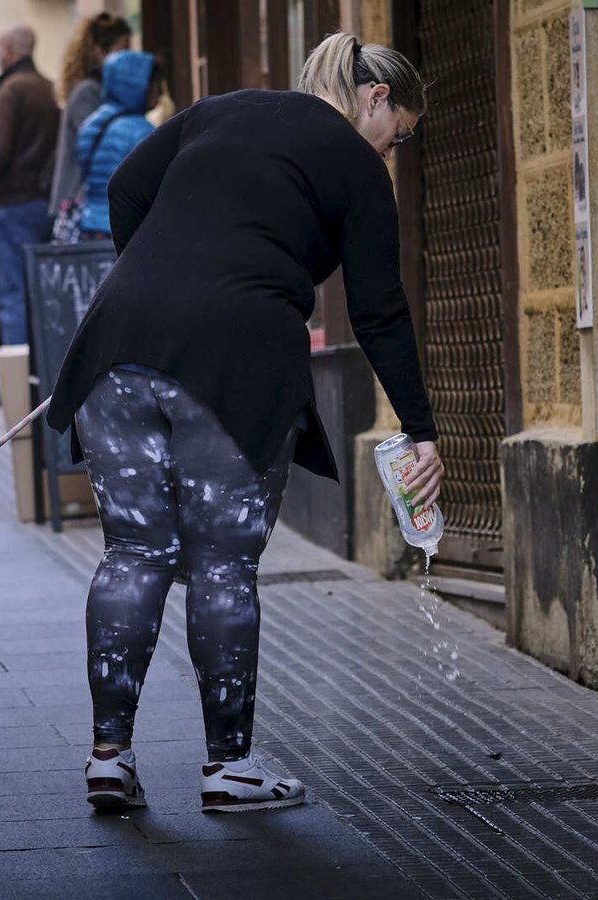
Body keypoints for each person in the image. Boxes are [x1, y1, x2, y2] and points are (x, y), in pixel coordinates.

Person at [45, 32, 445, 813]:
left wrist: (165, 279)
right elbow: (380, 312)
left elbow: (126, 189)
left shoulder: (219, 111)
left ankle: (108, 758)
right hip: (235, 359)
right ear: (375, 99)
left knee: (132, 553)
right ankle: (229, 768)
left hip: (118, 342)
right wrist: (422, 426)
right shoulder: (357, 167)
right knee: (222, 565)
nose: (389, 155)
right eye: (397, 138)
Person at [0, 25, 60, 349]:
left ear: (8, 51)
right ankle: (45, 376)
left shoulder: (12, 90)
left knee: (11, 295)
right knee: (43, 293)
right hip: (45, 200)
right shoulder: (48, 87)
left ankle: (18, 385)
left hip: (13, 203)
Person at [50, 13, 133, 230]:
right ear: (100, 51)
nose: (127, 56)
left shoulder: (97, 90)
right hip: (80, 201)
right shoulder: (88, 92)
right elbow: (99, 143)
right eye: (122, 48)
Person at [72, 51, 160, 242]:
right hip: (124, 227)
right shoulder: (142, 130)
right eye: (154, 83)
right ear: (138, 86)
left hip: (89, 224)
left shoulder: (92, 123)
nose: (159, 91)